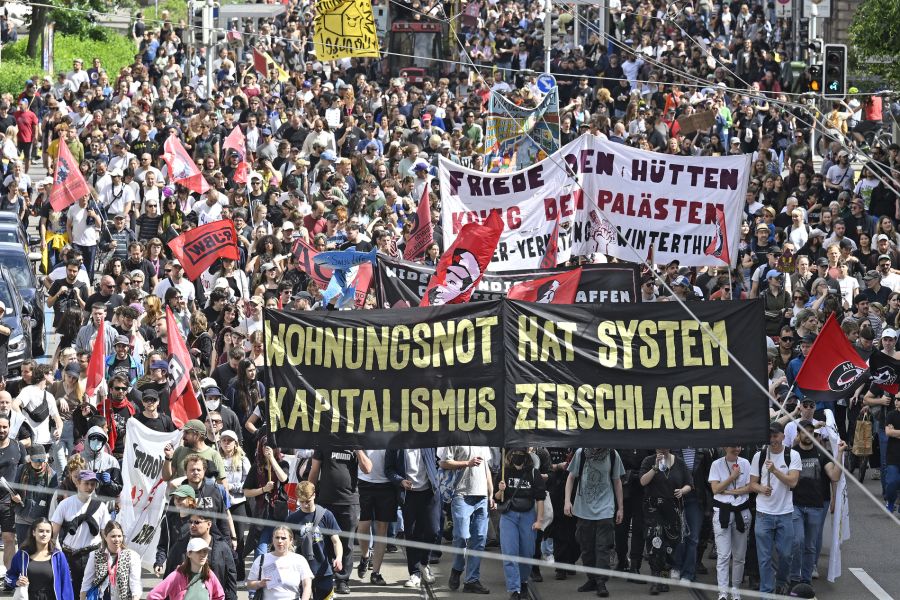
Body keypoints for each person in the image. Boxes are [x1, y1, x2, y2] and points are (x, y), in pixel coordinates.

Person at [307, 448, 370, 595]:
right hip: (325, 501)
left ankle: (342, 580)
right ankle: (326, 578)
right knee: (324, 542)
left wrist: (358, 451)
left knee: (346, 542)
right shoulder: (323, 440)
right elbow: (314, 470)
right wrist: (308, 494)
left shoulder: (355, 442)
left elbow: (367, 469)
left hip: (349, 502)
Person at [789, 421, 845, 586]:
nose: (808, 436)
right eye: (804, 433)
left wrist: (840, 454)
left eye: (811, 433)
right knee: (798, 541)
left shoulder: (822, 453)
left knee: (810, 547)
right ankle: (794, 578)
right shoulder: (791, 453)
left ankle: (805, 581)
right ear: (798, 435)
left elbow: (834, 476)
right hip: (795, 505)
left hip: (815, 505)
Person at [564, 447, 624, 597]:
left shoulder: (612, 454)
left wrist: (620, 508)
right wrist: (567, 501)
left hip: (605, 508)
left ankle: (601, 581)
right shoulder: (580, 453)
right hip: (583, 509)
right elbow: (571, 477)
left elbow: (617, 481)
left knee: (603, 547)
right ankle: (592, 579)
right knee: (586, 548)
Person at [750, 422, 801, 595]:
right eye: (770, 436)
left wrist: (775, 471)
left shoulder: (792, 455)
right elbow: (752, 484)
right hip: (763, 513)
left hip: (785, 513)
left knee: (786, 555)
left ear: (783, 436)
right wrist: (761, 489)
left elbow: (793, 481)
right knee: (764, 559)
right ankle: (767, 592)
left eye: (776, 436)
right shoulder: (759, 456)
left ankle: (780, 583)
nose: (773, 440)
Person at [438, 445, 495, 595]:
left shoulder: (484, 441)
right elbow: (443, 463)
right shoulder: (456, 439)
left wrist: (491, 493)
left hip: (482, 497)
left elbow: (486, 469)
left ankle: (471, 580)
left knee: (479, 539)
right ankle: (457, 568)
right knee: (461, 536)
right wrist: (466, 463)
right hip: (461, 494)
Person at [384, 446, 440, 589]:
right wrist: (400, 481)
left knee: (433, 531)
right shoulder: (395, 445)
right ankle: (414, 572)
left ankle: (424, 563)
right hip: (409, 495)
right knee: (412, 534)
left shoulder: (428, 440)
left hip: (430, 493)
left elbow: (439, 460)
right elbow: (389, 469)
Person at [639, 448, 693, 595]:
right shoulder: (648, 460)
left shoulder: (680, 463)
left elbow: (689, 483)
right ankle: (656, 579)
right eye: (658, 447)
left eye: (664, 446)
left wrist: (683, 491)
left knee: (670, 544)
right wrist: (655, 467)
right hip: (653, 507)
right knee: (655, 541)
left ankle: (664, 578)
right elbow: (643, 482)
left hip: (673, 508)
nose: (661, 449)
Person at [494, 448, 546, 600]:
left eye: (521, 454)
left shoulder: (533, 473)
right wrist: (499, 490)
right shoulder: (504, 472)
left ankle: (523, 582)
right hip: (509, 516)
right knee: (509, 553)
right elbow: (497, 498)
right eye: (515, 453)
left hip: (528, 516)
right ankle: (514, 589)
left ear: (526, 456)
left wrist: (539, 521)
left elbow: (540, 498)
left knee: (527, 553)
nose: (518, 456)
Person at [50, 470, 112, 595]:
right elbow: (53, 534)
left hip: (93, 555)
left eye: (93, 484)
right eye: (86, 483)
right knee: (70, 593)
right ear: (77, 483)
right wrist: (59, 555)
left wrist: (106, 557)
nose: (90, 487)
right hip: (70, 556)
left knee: (92, 593)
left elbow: (106, 535)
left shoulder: (101, 506)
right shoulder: (65, 504)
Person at [285, 482, 344, 600]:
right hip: (301, 571)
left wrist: (338, 558)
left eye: (307, 501)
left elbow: (336, 541)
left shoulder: (326, 515)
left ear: (314, 495)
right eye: (301, 502)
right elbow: (287, 544)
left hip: (323, 569)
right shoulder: (293, 518)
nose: (305, 505)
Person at [708, 446, 753, 600]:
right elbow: (715, 489)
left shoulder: (746, 463)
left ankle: (735, 588)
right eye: (733, 446)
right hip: (722, 512)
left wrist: (727, 491)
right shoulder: (717, 464)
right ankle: (723, 592)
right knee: (723, 555)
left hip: (742, 511)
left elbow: (750, 487)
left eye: (739, 446)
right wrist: (732, 478)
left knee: (740, 555)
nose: (737, 449)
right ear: (725, 447)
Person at [4, 518, 75, 600]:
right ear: (34, 532)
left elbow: (66, 585)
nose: (44, 534)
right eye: (41, 531)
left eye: (48, 531)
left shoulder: (58, 556)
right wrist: (16, 582)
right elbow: (9, 576)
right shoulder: (22, 554)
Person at [247, 526, 314, 600]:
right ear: (272, 539)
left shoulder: (299, 560)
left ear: (291, 540)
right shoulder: (262, 559)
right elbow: (250, 584)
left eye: (283, 538)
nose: (280, 541)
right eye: (277, 537)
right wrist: (260, 584)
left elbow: (307, 585)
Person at [148, 537, 225, 600]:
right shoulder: (177, 576)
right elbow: (153, 596)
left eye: (205, 551)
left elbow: (220, 596)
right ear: (189, 554)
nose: (203, 555)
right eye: (198, 551)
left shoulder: (209, 574)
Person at [81, 521, 142, 600]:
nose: (117, 539)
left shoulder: (132, 556)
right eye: (113, 536)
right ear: (105, 537)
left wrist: (135, 597)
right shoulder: (95, 555)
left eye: (119, 536)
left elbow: (135, 583)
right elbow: (87, 581)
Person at [13, 444, 57, 544]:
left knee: (39, 551)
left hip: (41, 519)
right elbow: (15, 488)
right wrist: (14, 496)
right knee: (23, 549)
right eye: (36, 460)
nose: (39, 463)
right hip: (22, 515)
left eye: (42, 460)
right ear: (29, 459)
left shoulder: (52, 475)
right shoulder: (21, 469)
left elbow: (53, 501)